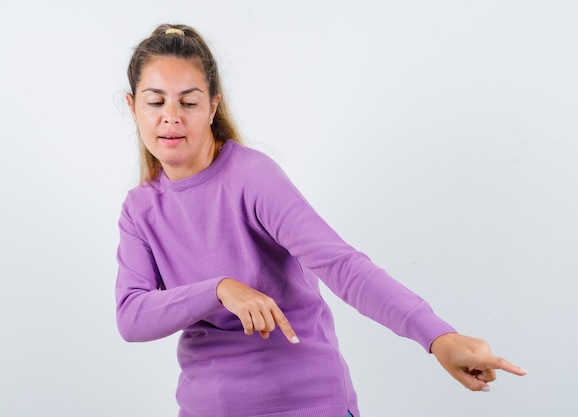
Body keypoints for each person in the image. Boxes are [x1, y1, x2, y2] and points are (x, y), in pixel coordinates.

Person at [115, 23, 526, 417]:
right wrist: (220, 290)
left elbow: (340, 265)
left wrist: (437, 336)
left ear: (213, 106)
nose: (171, 117)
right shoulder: (140, 208)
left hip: (305, 403)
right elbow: (132, 316)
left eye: (188, 102)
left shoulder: (251, 178)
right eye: (155, 102)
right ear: (133, 106)